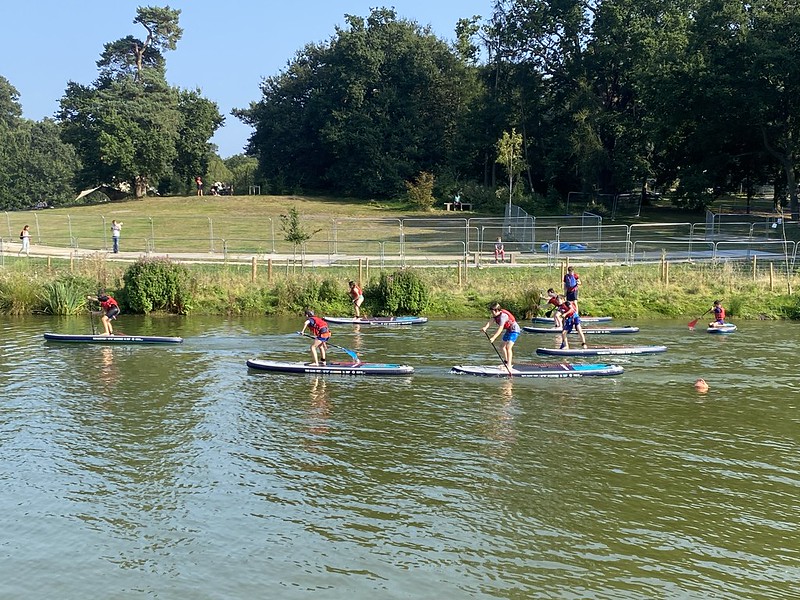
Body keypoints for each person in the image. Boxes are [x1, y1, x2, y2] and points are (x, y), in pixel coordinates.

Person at [481, 302, 521, 369]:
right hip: (509, 330)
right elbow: (492, 320)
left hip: (514, 330)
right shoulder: (496, 315)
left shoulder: (503, 317)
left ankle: (509, 365)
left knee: (508, 347)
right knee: (501, 346)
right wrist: (485, 327)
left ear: (497, 311)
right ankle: (506, 362)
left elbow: (500, 329)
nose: (492, 313)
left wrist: (493, 337)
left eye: (492, 312)